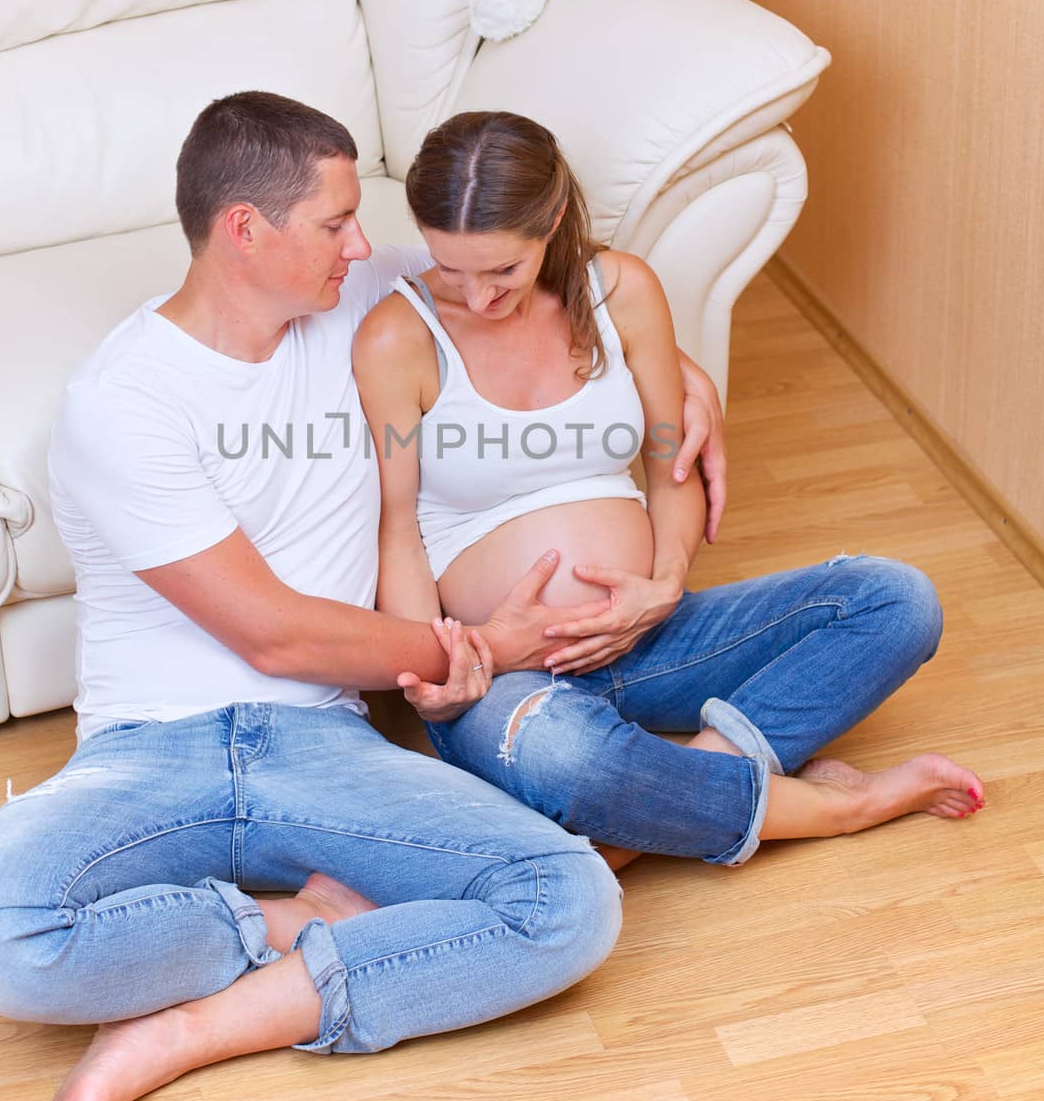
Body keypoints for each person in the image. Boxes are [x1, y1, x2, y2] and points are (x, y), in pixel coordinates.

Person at [0, 92, 661, 1101]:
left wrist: (676, 387)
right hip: (148, 750)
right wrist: (483, 647)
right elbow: (272, 636)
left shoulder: (369, 293)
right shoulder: (123, 400)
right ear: (243, 231)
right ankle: (289, 923)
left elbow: (543, 284)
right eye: (335, 222)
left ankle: (181, 1032)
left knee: (571, 901)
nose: (366, 244)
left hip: (324, 748)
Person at [352, 110, 984, 874]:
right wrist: (443, 679)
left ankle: (669, 796)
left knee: (896, 601)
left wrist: (663, 583)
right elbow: (397, 530)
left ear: (551, 220)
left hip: (653, 635)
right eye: (450, 269)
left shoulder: (620, 291)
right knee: (568, 758)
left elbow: (667, 468)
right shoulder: (398, 337)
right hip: (505, 672)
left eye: (502, 272)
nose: (476, 297)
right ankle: (835, 807)